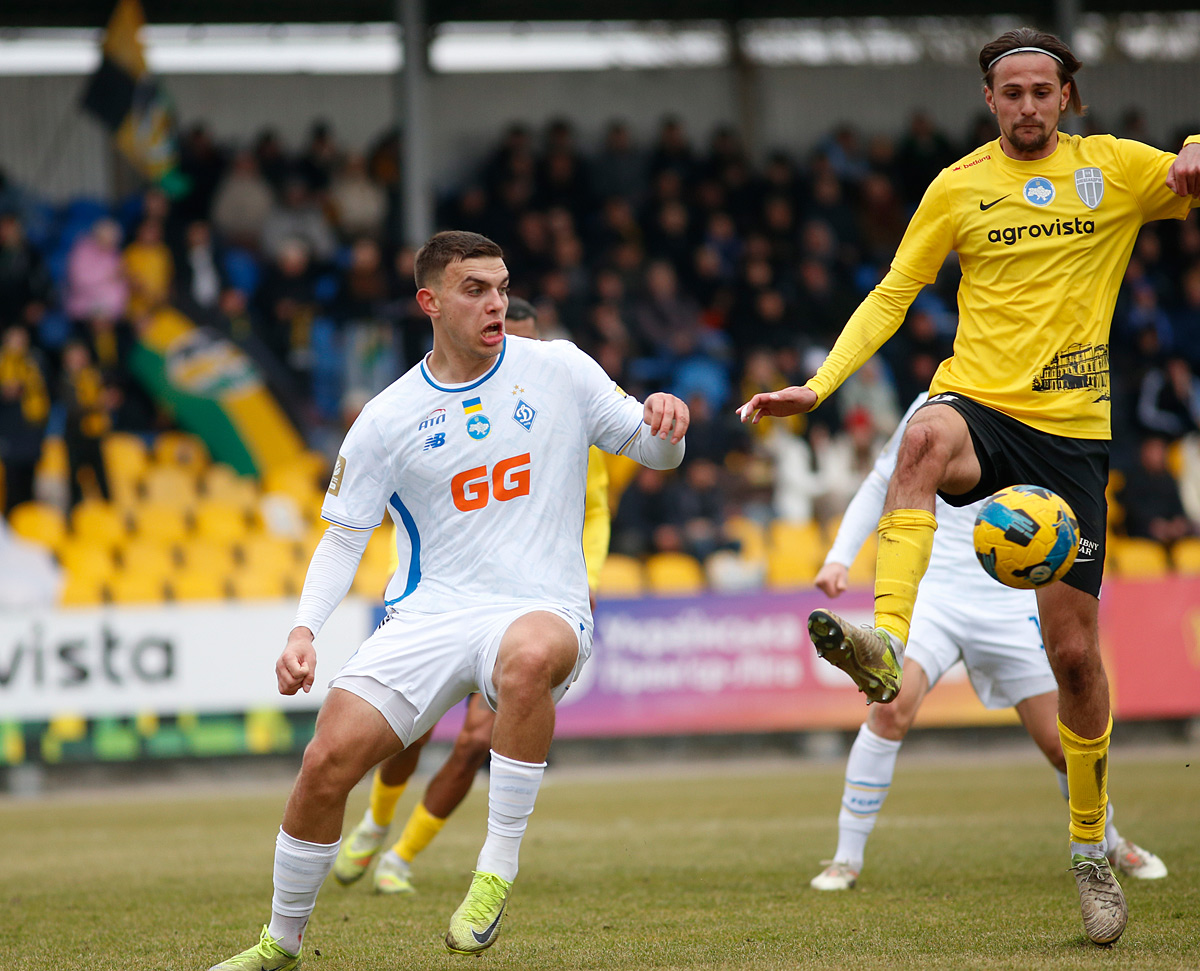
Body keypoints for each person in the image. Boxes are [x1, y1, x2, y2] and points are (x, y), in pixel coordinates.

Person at [739, 27, 1200, 946]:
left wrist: (1194, 147)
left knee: (1076, 661)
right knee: (920, 436)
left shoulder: (1115, 169)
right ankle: (887, 639)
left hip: (1072, 436)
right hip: (980, 404)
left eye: (1041, 90)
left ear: (1066, 96)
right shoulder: (956, 185)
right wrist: (818, 386)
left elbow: (1190, 175)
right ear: (989, 100)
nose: (1027, 104)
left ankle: (1089, 848)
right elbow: (891, 294)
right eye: (1010, 92)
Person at [208, 231, 687, 970]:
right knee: (326, 760)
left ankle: (494, 874)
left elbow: (652, 450)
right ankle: (281, 941)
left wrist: (667, 421)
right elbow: (343, 537)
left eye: (501, 287)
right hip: (429, 616)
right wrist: (305, 630)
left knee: (528, 657)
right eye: (475, 289)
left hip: (540, 603)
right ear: (429, 302)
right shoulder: (387, 416)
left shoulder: (559, 368)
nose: (495, 302)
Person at [809, 393, 1167, 892]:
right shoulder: (932, 405)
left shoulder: (1047, 403)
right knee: (889, 708)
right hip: (935, 593)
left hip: (1010, 603)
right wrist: (839, 556)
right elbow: (880, 480)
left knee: (1061, 745)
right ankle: (845, 859)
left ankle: (1109, 840)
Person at [330, 296, 613, 896]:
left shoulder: (565, 405)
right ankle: (376, 821)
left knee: (476, 741)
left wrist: (588, 577)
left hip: (525, 600)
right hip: (438, 600)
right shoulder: (432, 407)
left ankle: (400, 858)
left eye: (526, 342)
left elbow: (594, 509)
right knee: (411, 733)